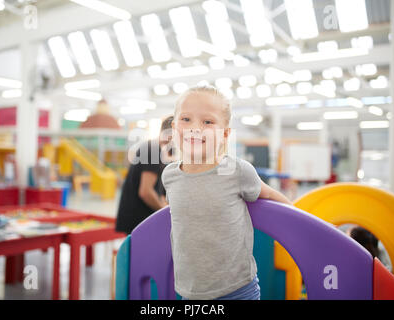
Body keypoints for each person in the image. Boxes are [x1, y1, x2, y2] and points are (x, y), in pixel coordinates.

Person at [162, 86, 292, 300]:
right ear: (174, 128)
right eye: (186, 119)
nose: (195, 128)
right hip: (190, 291)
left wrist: (310, 225)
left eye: (207, 122)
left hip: (238, 290)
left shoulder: (237, 171)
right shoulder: (170, 176)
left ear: (224, 134)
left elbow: (271, 196)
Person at [115, 116, 173, 234]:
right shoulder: (153, 149)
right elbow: (145, 192)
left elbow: (158, 189)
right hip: (137, 219)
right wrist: (165, 214)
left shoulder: (158, 150)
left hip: (139, 217)